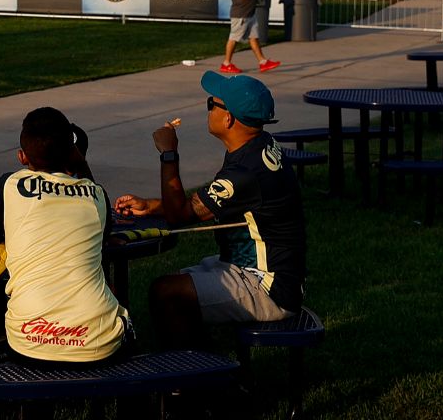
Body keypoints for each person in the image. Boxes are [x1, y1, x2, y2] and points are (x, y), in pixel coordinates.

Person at [113, 72, 303, 348]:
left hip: (268, 285)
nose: (208, 109)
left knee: (167, 293)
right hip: (263, 270)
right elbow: (201, 206)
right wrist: (152, 205)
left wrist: (168, 154)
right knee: (174, 283)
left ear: (229, 119)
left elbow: (180, 217)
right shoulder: (256, 147)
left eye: (211, 104)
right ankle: (203, 363)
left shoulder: (244, 172)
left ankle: (189, 382)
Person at [0, 107, 129, 362]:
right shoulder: (96, 195)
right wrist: (81, 163)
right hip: (98, 344)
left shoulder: (10, 184)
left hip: (27, 342)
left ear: (22, 156)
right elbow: (102, 236)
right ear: (72, 153)